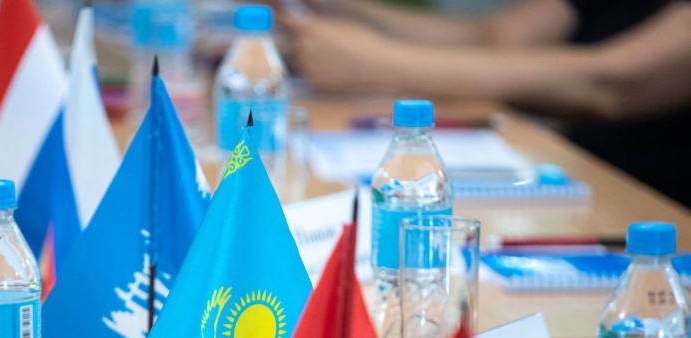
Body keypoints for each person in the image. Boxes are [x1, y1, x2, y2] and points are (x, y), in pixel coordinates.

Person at [280, 0, 691, 206]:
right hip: (579, 184)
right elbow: (497, 39)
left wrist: (377, 62)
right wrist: (342, 9)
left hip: (654, 210)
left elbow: (610, 85)